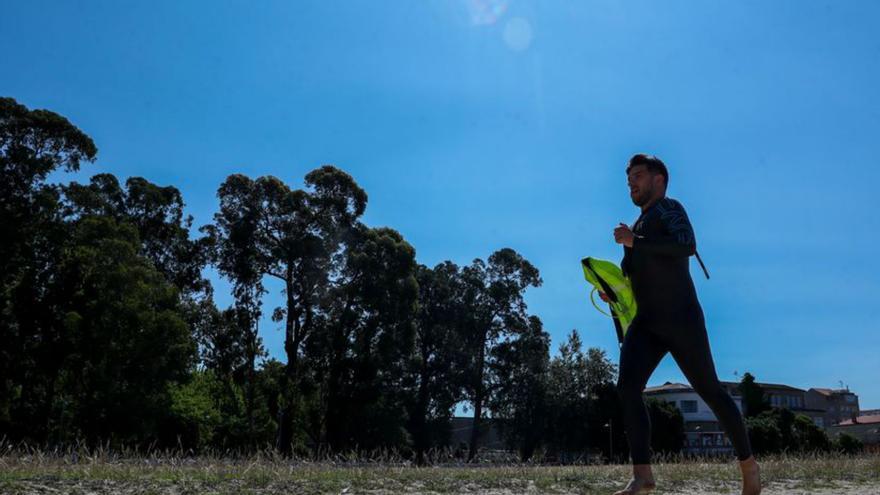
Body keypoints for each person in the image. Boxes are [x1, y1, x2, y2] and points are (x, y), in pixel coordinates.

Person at [599, 154, 761, 495]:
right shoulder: (637, 224)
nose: (632, 182)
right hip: (647, 322)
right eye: (629, 178)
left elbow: (686, 245)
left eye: (639, 176)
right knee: (627, 388)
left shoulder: (670, 209)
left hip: (681, 318)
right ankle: (642, 476)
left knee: (710, 392)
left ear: (659, 179)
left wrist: (634, 242)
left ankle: (749, 467)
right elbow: (632, 278)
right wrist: (612, 292)